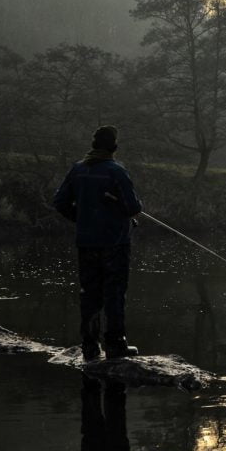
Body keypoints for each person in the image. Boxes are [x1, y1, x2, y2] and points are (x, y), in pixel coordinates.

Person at [53, 125, 142, 361]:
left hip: (86, 242)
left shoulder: (78, 169)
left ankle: (90, 347)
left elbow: (60, 202)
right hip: (115, 243)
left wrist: (82, 219)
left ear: (94, 145)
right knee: (114, 293)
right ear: (113, 147)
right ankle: (115, 346)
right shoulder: (116, 171)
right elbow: (133, 208)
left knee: (89, 293)